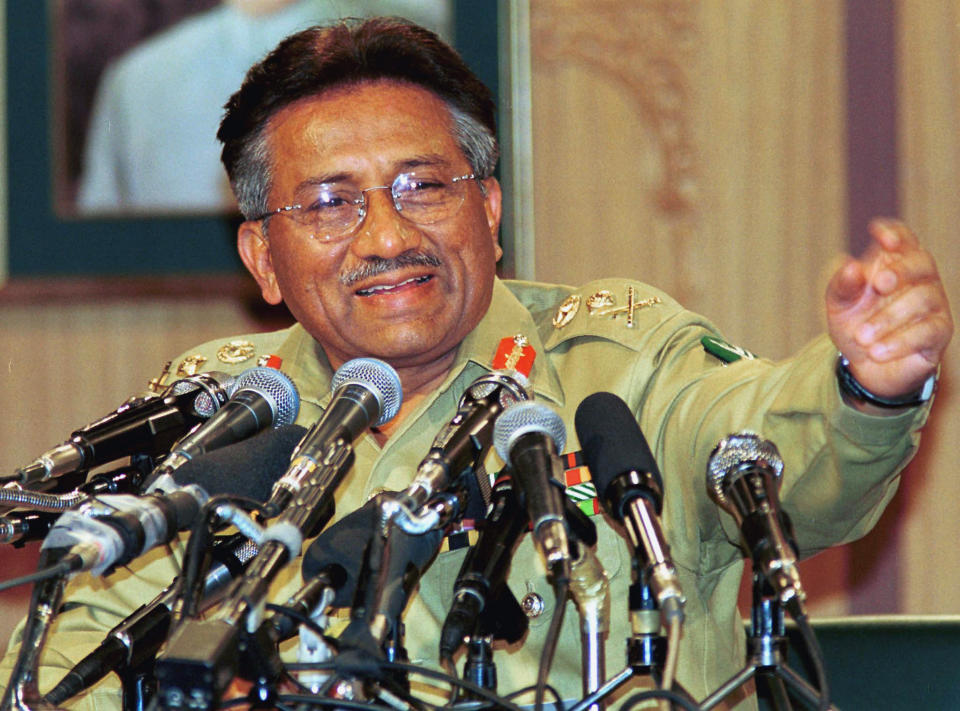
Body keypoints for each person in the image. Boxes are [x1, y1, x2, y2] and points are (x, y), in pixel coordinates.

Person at [3, 16, 953, 711]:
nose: (386, 233)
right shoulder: (227, 415)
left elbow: (773, 448)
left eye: (423, 186)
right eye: (330, 203)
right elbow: (67, 660)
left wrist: (864, 386)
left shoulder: (612, 366)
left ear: (489, 212)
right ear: (261, 258)